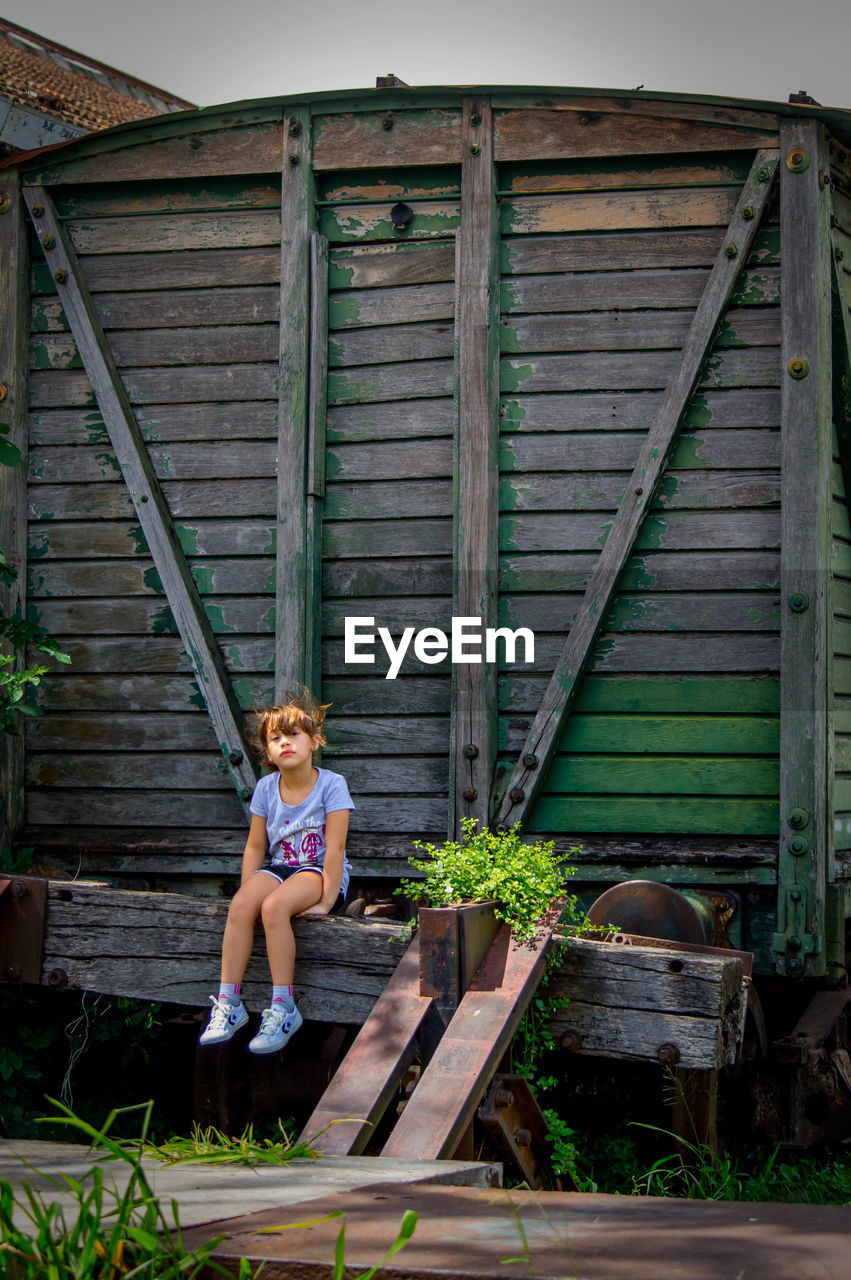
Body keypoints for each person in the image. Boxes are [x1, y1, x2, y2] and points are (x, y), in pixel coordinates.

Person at [199, 689, 354, 1055]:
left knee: (273, 908)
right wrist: (247, 892)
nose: (285, 742)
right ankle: (229, 1005)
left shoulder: (332, 784)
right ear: (267, 752)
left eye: (294, 735)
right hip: (279, 867)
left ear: (314, 741)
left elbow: (335, 848)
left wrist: (328, 898)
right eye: (275, 738)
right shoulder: (267, 788)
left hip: (317, 871)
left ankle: (284, 1007)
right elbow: (255, 846)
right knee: (240, 908)